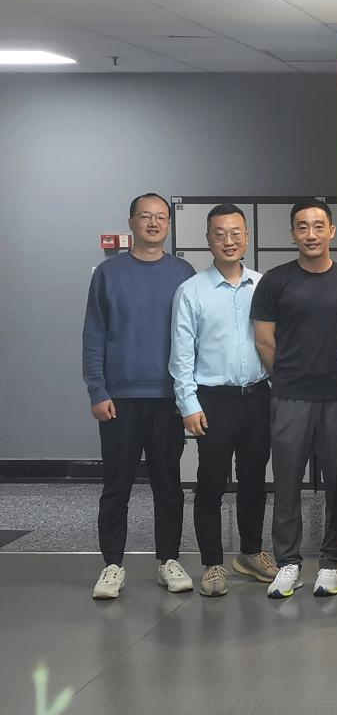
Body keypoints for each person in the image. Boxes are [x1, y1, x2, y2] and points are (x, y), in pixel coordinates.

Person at [251, 200, 337, 599]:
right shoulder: (275, 281)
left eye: (319, 226)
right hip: (291, 397)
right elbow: (265, 341)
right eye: (302, 227)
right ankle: (288, 563)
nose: (311, 234)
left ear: (332, 231)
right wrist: (286, 378)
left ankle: (331, 563)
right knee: (286, 484)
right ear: (293, 234)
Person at [85, 193, 197, 600]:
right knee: (116, 486)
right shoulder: (108, 273)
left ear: (168, 223)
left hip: (168, 399)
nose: (153, 223)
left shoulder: (183, 272)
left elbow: (192, 336)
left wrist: (189, 395)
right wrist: (97, 389)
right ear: (131, 222)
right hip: (120, 399)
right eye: (145, 216)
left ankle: (168, 560)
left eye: (161, 217)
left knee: (169, 485)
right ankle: (112, 565)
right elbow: (94, 333)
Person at [169, 203, 277, 598]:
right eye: (219, 234)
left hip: (257, 396)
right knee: (211, 482)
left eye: (235, 233)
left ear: (246, 237)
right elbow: (181, 354)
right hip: (212, 400)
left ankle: (250, 552)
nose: (228, 241)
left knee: (254, 480)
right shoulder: (191, 291)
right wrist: (189, 404)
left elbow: (275, 342)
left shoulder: (263, 286)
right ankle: (212, 563)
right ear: (208, 240)